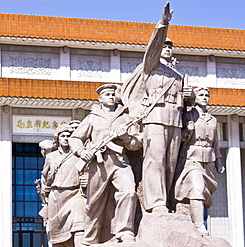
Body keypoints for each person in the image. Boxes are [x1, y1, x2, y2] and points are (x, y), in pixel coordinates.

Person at [121, 2, 192, 213]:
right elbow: (152, 47)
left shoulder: (179, 75)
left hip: (175, 118)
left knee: (170, 163)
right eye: (165, 46)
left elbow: (188, 100)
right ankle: (155, 202)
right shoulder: (151, 66)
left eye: (170, 46)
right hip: (155, 116)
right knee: (155, 159)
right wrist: (163, 24)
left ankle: (168, 200)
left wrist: (191, 96)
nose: (167, 49)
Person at [69, 84, 142, 246]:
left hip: (120, 162)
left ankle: (125, 232)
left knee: (129, 192)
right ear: (100, 98)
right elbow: (74, 139)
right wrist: (82, 152)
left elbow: (137, 143)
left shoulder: (126, 117)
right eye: (107, 94)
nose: (111, 97)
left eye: (112, 94)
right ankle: (90, 238)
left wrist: (125, 138)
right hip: (99, 163)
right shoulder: (92, 118)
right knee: (94, 203)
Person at [174, 87, 225, 236]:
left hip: (208, 159)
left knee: (204, 190)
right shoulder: (188, 115)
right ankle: (198, 226)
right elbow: (179, 139)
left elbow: (215, 142)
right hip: (192, 157)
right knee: (197, 187)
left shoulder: (212, 119)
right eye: (201, 95)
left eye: (207, 95)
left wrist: (219, 161)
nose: (204, 97)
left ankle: (197, 220)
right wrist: (187, 131)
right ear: (195, 97)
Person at [40, 124, 85, 247]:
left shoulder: (79, 155)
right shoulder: (51, 157)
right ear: (58, 139)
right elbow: (45, 178)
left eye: (68, 136)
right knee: (57, 238)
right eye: (63, 136)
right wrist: (46, 198)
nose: (65, 138)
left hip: (75, 194)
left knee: (79, 226)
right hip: (57, 198)